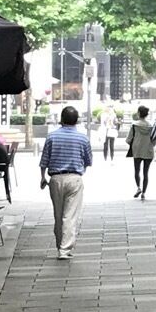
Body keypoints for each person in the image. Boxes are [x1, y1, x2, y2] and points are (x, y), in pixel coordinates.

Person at [38, 105, 92, 260]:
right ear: (77, 120)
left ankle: (60, 245)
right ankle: (64, 249)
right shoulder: (83, 138)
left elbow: (44, 160)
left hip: (55, 179)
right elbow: (88, 160)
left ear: (61, 119)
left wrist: (42, 177)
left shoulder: (52, 137)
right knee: (70, 216)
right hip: (74, 178)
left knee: (58, 214)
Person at [126, 103, 156, 198]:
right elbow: (154, 140)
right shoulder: (151, 126)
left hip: (137, 150)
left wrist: (135, 143)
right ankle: (144, 193)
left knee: (137, 170)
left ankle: (138, 187)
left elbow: (128, 139)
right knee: (145, 173)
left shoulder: (134, 125)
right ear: (146, 114)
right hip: (148, 151)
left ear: (138, 113)